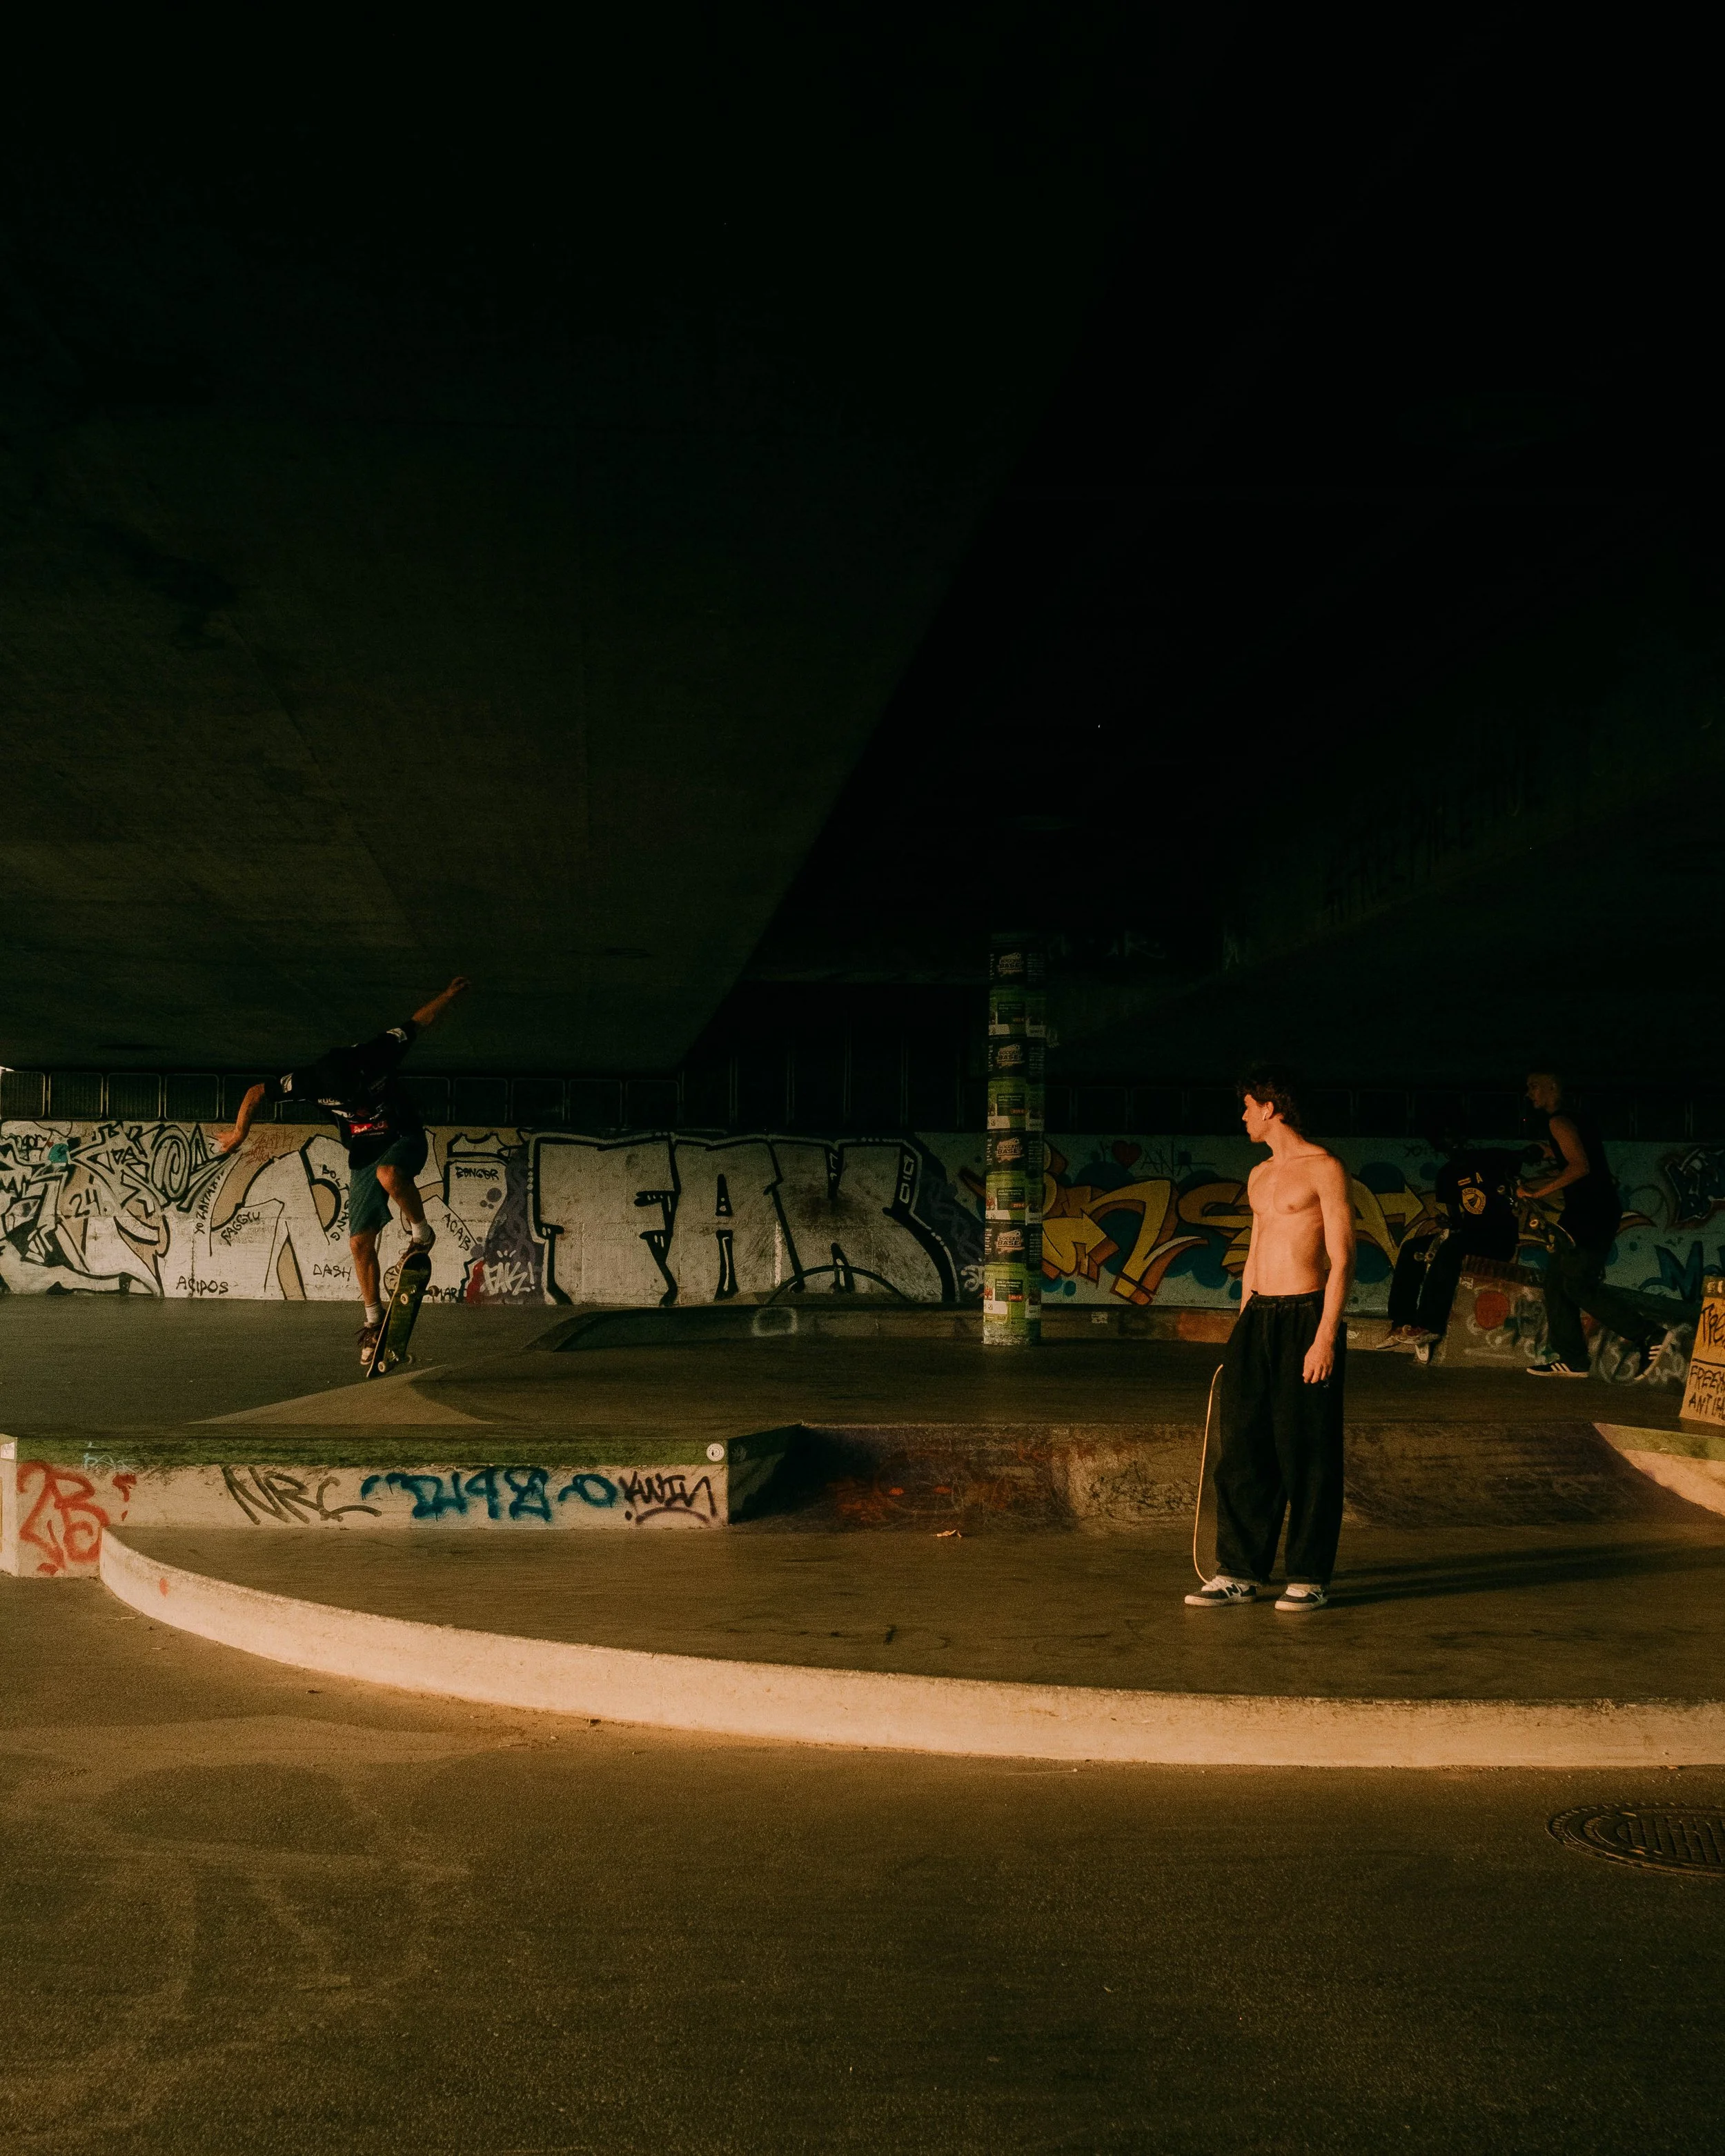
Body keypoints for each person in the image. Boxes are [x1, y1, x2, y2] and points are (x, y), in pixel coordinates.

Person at [215, 978, 471, 1361]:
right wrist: (239, 1134)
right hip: (364, 1153)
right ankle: (373, 1323)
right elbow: (256, 1093)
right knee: (358, 1243)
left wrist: (448, 996)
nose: (360, 1105)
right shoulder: (307, 1080)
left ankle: (422, 1234)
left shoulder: (379, 1052)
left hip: (405, 1136)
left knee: (390, 1174)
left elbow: (419, 1022)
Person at [1186, 1065, 1356, 1614]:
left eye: (1247, 1106)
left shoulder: (1324, 1167)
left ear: (1270, 1108)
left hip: (1306, 1315)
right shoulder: (1259, 1175)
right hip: (1258, 1316)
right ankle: (1239, 1570)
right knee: (1244, 1449)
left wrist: (1325, 1335)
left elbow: (1344, 1258)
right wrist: (1241, 1326)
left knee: (1305, 1449)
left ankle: (1309, 1575)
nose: (1241, 1116)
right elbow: (1255, 1252)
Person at [1520, 1067, 1672, 1381]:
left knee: (1577, 1284)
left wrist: (1536, 1191)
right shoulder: (1575, 1120)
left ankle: (1648, 1334)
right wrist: (1544, 1159)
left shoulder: (1558, 1121)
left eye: (1534, 1086)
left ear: (1552, 1087)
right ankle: (1574, 1360)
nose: (1529, 1093)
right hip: (1589, 1211)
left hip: (1589, 1214)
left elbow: (1580, 1167)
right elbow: (1581, 1161)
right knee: (1557, 1283)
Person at [1373, 1128, 1521, 1351]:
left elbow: (1521, 1161)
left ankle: (1429, 1324)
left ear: (1464, 1139)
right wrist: (1448, 1224)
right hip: (1469, 1235)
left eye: (1456, 1141)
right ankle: (1401, 1322)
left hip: (1499, 1238)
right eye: (1446, 1145)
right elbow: (1457, 1220)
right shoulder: (1447, 1175)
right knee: (1412, 1248)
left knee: (1452, 1249)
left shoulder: (1491, 1158)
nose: (1454, 1148)